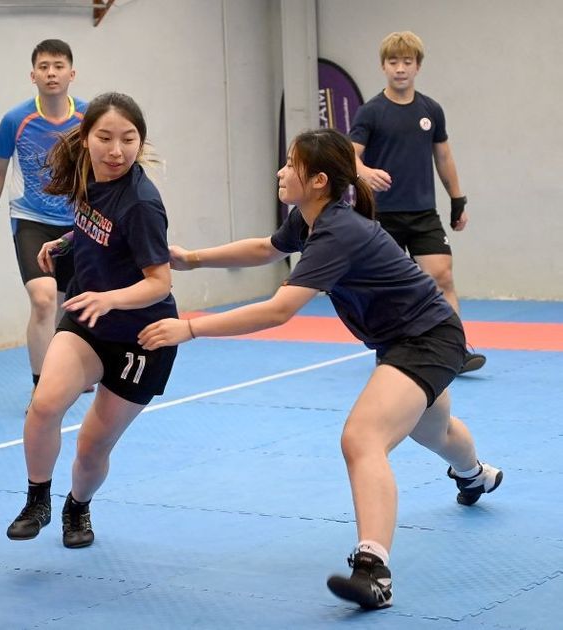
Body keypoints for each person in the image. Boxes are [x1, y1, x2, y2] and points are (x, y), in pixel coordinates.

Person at [138, 128, 501, 610]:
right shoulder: (311, 220)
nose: (281, 172)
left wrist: (191, 328)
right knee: (434, 430)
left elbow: (278, 310)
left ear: (319, 180)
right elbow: (267, 248)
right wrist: (194, 259)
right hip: (404, 338)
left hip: (428, 338)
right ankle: (475, 474)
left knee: (362, 438)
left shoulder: (338, 231)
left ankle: (374, 571)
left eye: (291, 164)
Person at [6, 92, 178, 549]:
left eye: (128, 139)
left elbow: (159, 283)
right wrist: (66, 243)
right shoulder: (86, 173)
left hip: (142, 337)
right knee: (44, 405)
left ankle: (77, 505)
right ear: (85, 139)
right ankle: (37, 498)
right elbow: (96, 226)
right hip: (89, 319)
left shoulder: (141, 202)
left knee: (91, 446)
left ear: (141, 142)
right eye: (105, 137)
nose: (116, 150)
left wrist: (110, 299)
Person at [350, 30, 485, 374]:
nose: (400, 68)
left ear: (417, 67)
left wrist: (458, 201)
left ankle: (455, 350)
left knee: (442, 277)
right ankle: (388, 349)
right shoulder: (371, 112)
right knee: (388, 288)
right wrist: (363, 172)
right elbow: (350, 157)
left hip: (423, 213)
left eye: (407, 62)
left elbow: (443, 157)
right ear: (383, 66)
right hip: (382, 216)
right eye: (393, 62)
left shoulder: (430, 110)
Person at [0, 39, 88, 404]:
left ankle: (71, 372)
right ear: (33, 75)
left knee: (66, 302)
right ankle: (42, 389)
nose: (51, 72)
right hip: (31, 218)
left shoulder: (89, 118)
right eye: (44, 66)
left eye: (58, 66)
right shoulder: (16, 120)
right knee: (42, 300)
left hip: (76, 223)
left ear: (72, 73)